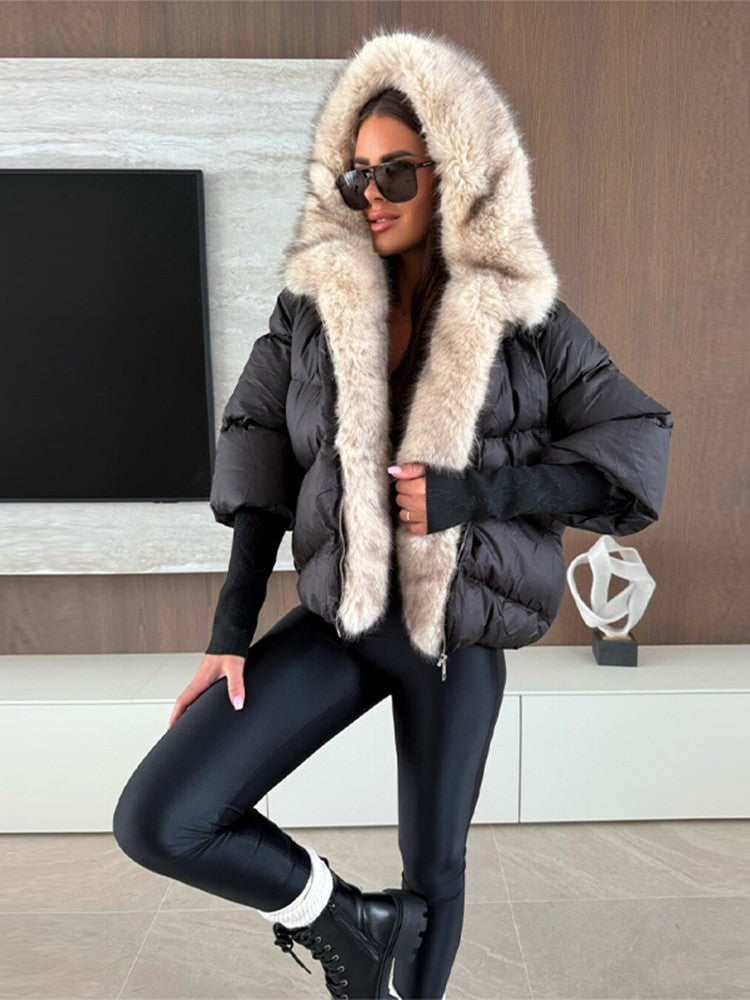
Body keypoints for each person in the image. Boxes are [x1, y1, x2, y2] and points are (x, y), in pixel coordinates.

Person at [112, 28, 673, 1000]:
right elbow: (258, 451)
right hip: (340, 618)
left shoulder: (525, 320)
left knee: (437, 869)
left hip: (455, 638)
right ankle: (349, 921)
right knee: (160, 817)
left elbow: (634, 447)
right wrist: (229, 636)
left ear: (454, 170)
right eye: (356, 175)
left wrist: (476, 497)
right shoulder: (310, 311)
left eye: (396, 172)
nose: (371, 194)